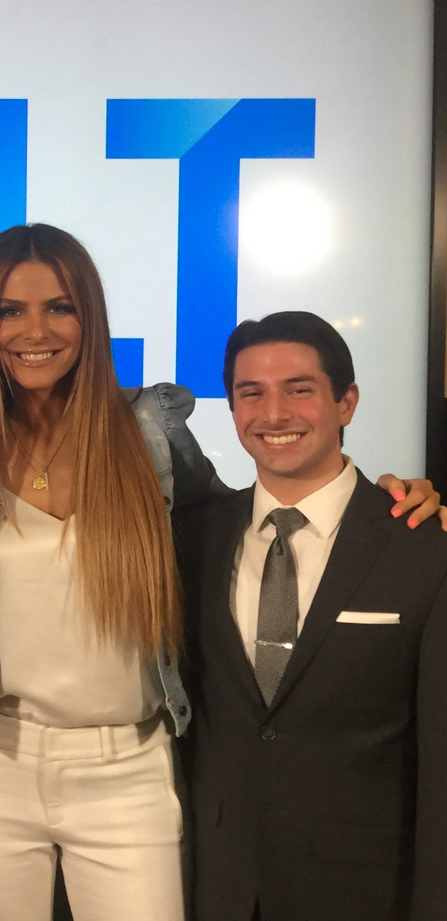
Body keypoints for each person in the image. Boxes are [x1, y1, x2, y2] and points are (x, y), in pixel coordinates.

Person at [0, 224, 442, 921]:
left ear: (89, 317)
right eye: (10, 310)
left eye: (59, 307)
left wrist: (387, 503)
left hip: (128, 764)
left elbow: (248, 516)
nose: (34, 331)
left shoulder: (146, 433)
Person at [174, 311, 447, 921]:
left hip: (364, 889)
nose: (274, 414)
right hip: (217, 885)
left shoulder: (424, 548)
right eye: (251, 393)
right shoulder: (191, 539)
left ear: (346, 402)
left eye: (299, 389)